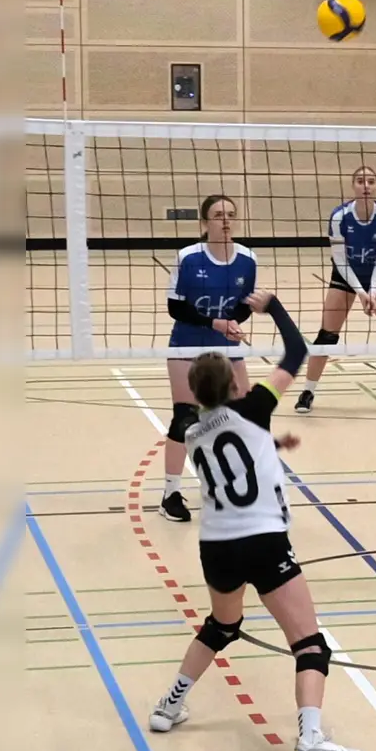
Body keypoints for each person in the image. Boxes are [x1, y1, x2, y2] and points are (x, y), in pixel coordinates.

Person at [147, 288, 362, 751]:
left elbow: (239, 453)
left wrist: (273, 444)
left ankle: (170, 704)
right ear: (236, 386)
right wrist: (275, 308)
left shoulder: (194, 433)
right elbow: (298, 351)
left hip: (216, 546)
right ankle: (310, 741)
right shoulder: (254, 408)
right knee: (309, 643)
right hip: (263, 540)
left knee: (223, 625)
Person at [160, 194, 256, 523]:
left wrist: (234, 322)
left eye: (231, 214)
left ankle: (229, 485)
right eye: (218, 215)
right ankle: (171, 493)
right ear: (205, 223)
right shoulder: (188, 257)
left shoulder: (247, 258)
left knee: (242, 415)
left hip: (225, 346)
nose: (226, 220)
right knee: (186, 420)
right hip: (187, 344)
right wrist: (213, 322)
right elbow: (176, 307)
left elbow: (242, 305)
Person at [296, 166, 376, 414]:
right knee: (327, 336)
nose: (366, 185)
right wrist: (360, 292)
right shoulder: (340, 216)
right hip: (346, 275)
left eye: (371, 181)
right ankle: (308, 390)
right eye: (361, 181)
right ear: (353, 186)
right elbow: (340, 261)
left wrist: (372, 292)